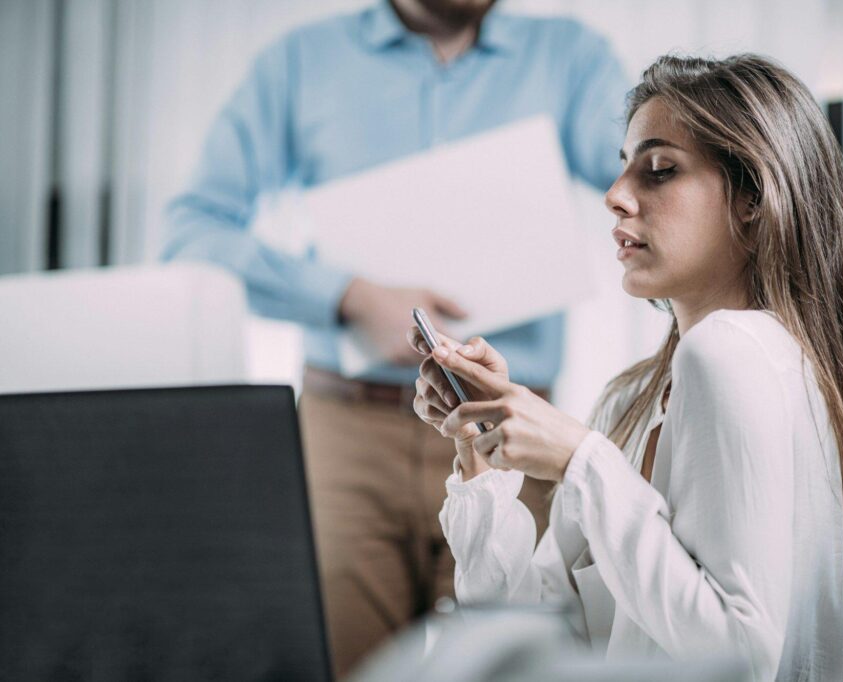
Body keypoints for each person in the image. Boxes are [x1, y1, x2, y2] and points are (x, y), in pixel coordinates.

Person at [161, 0, 629, 675]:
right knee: (339, 664)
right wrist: (348, 297)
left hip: (508, 433)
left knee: (506, 664)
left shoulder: (570, 58)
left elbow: (650, 179)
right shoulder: (300, 62)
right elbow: (192, 234)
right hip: (346, 439)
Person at [410, 54, 843, 680]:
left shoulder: (732, 353)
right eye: (623, 167)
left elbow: (740, 659)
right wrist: (479, 451)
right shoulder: (632, 398)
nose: (614, 196)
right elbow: (535, 629)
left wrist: (581, 460)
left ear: (752, 198)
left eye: (660, 170)